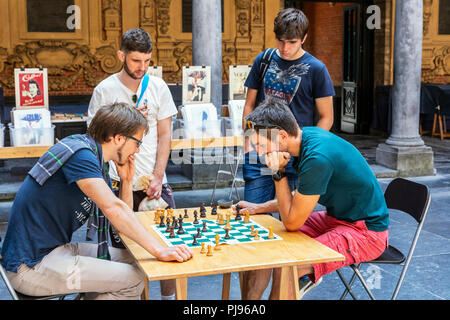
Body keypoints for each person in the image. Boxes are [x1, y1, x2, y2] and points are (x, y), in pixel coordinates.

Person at [0, 103, 193, 300]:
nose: (137, 151)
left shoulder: (95, 163)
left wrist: (126, 181)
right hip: (30, 266)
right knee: (135, 279)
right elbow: (113, 209)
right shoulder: (80, 154)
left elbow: (119, 224)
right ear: (119, 138)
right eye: (137, 143)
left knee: (138, 261)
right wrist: (160, 249)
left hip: (54, 252)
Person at [237, 98, 389, 299]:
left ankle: (303, 276)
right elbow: (303, 196)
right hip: (335, 219)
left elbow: (292, 222)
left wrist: (278, 173)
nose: (258, 152)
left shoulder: (316, 158)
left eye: (260, 144)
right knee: (268, 245)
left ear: (281, 135)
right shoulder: (304, 138)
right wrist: (259, 207)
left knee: (289, 266)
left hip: (366, 232)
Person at [87, 28, 178, 299]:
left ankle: (168, 298)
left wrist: (159, 176)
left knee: (167, 242)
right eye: (136, 60)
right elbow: (95, 140)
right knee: (125, 252)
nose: (142, 67)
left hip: (153, 179)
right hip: (116, 181)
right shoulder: (104, 90)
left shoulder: (158, 87)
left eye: (147, 61)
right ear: (121, 55)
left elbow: (165, 135)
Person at [242, 8, 335, 209]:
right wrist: (249, 143)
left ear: (304, 38)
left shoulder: (317, 69)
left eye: (292, 42)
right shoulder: (263, 60)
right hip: (259, 152)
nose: (285, 48)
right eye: (281, 41)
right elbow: (249, 105)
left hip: (292, 155)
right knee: (253, 216)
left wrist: (306, 150)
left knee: (289, 220)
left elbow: (327, 117)